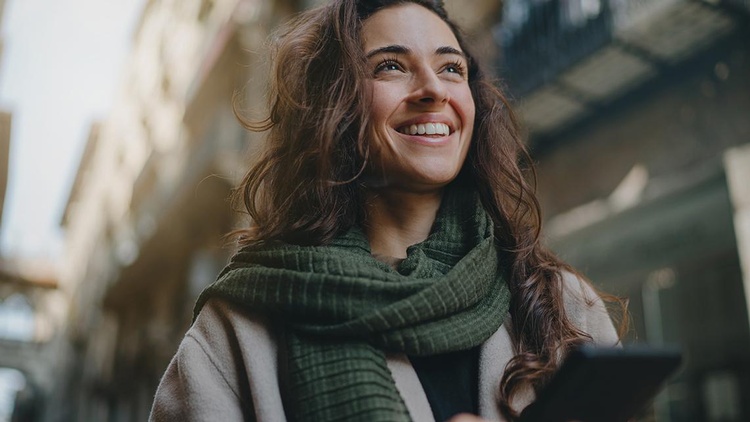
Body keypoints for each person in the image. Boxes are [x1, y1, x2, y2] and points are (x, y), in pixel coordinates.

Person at [149, 0, 626, 421]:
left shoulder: (556, 302)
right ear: (333, 107)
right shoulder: (236, 332)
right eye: (391, 67)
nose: (432, 90)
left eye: (451, 69)